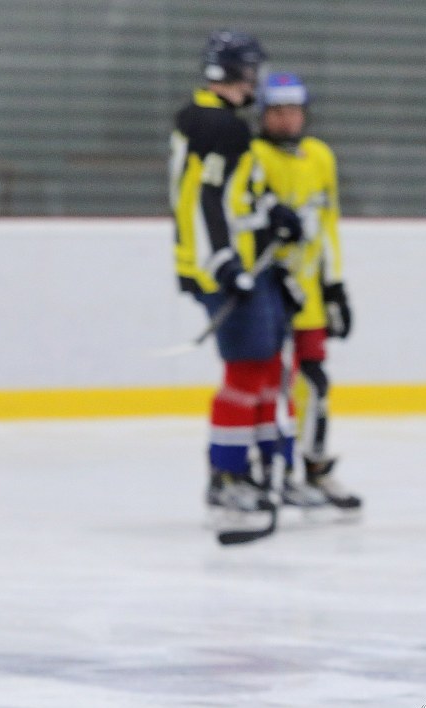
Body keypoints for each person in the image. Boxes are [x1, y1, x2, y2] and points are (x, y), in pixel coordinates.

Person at [170, 29, 307, 530]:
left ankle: (249, 471)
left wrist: (273, 212)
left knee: (267, 368)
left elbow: (237, 193)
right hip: (230, 272)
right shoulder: (217, 126)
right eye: (252, 70)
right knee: (248, 374)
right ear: (238, 73)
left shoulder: (217, 121)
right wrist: (222, 262)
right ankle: (227, 476)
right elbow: (199, 201)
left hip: (248, 265)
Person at [250, 71, 362, 513]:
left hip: (309, 299)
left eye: (293, 110)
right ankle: (270, 470)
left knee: (313, 382)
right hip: (269, 292)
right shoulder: (253, 156)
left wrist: (334, 286)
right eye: (277, 111)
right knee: (269, 385)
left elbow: (328, 227)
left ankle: (314, 466)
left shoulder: (319, 156)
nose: (286, 119)